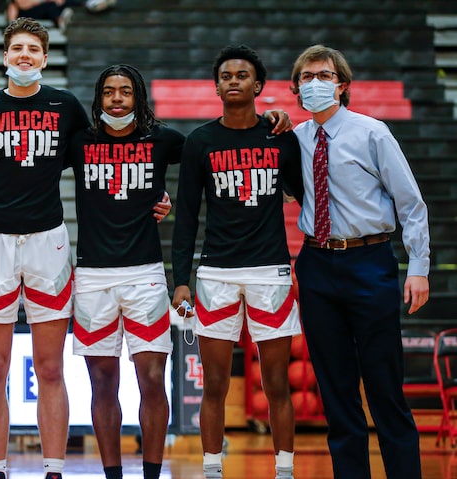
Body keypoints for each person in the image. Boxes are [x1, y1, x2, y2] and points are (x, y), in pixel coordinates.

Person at [290, 44, 429, 479]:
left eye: (323, 75)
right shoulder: (296, 138)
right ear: (296, 88)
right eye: (307, 77)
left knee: (385, 387)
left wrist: (420, 267)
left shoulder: (373, 132)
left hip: (370, 260)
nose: (315, 83)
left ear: (342, 84)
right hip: (316, 264)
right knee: (336, 393)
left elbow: (411, 203)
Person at [0, 17, 91, 479]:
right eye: (17, 47)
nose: (24, 56)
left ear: (45, 57)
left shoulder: (67, 106)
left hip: (48, 242)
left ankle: (53, 469)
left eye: (33, 49)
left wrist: (152, 197)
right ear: (4, 57)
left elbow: (99, 163)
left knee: (50, 368)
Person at [171, 45, 304, 479]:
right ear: (216, 86)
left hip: (271, 271)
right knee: (215, 384)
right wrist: (182, 280)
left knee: (277, 384)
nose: (233, 80)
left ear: (258, 85)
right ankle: (212, 469)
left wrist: (285, 125)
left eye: (242, 75)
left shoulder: (280, 137)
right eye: (225, 75)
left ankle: (284, 469)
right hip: (216, 274)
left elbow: (304, 192)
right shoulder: (200, 142)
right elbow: (187, 215)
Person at [67, 64, 184, 479]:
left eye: (126, 91)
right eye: (110, 92)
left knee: (152, 378)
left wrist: (271, 121)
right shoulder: (79, 142)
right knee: (103, 384)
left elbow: (210, 152)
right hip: (93, 277)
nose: (117, 99)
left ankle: (152, 475)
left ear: (139, 98)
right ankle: (113, 475)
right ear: (98, 99)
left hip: (145, 274)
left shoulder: (163, 140)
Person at [6, 0, 82, 32]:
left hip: (45, 10)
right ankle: (60, 20)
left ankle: (87, 4)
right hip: (27, 13)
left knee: (60, 4)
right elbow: (22, 4)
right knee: (51, 6)